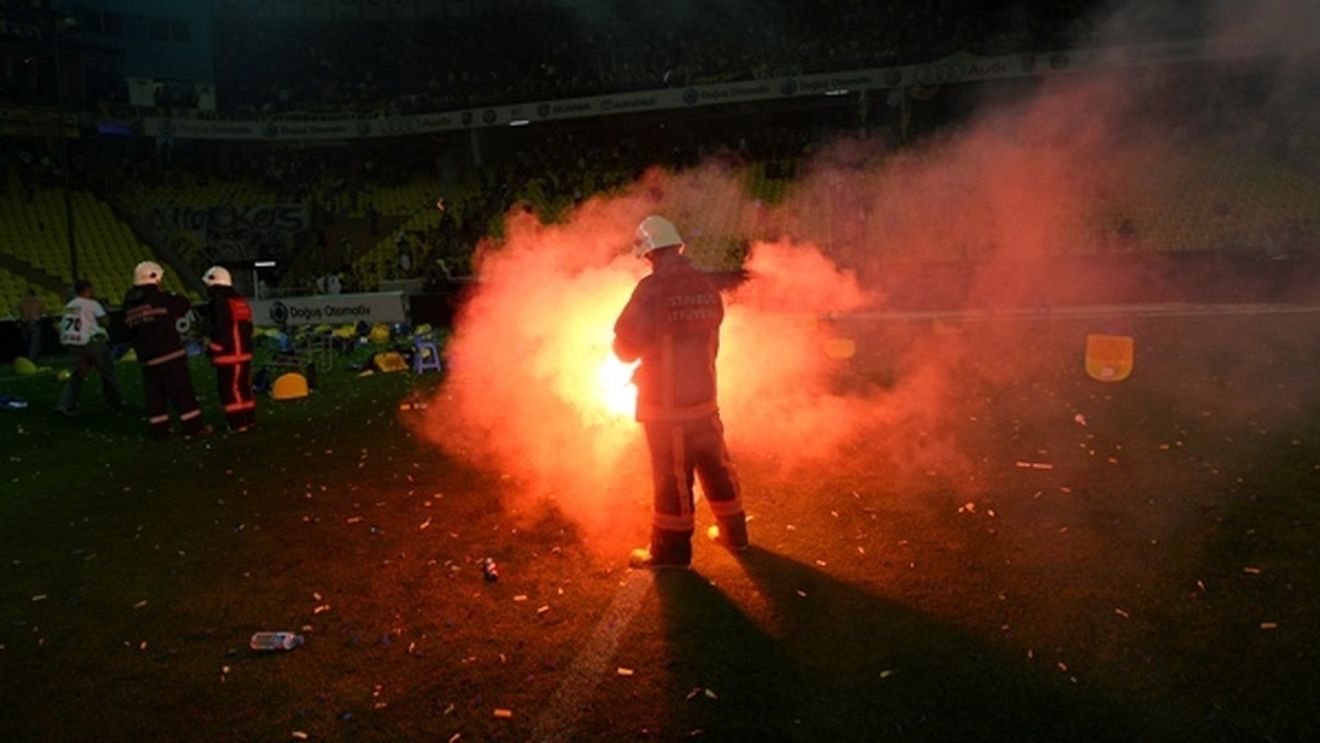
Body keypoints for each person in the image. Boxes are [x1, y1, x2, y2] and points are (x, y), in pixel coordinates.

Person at [613, 215, 747, 570]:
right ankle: (735, 534)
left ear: (649, 254)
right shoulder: (705, 286)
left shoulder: (652, 289)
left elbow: (625, 346)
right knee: (716, 466)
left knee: (672, 479)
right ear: (678, 246)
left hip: (665, 408)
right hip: (705, 401)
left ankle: (671, 553)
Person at [122, 261, 210, 438]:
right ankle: (193, 427)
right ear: (155, 278)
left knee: (155, 397)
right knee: (182, 393)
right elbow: (183, 303)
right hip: (170, 355)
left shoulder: (128, 303)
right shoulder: (161, 298)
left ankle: (160, 430)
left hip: (147, 359)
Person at [55, 280, 123, 416]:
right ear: (89, 290)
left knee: (77, 376)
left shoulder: (69, 306)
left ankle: (65, 405)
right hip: (93, 342)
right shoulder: (92, 304)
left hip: (74, 344)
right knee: (107, 374)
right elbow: (105, 322)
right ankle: (114, 404)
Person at [201, 266, 255, 431]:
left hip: (229, 355)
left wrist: (212, 348)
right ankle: (248, 418)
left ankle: (238, 422)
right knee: (243, 387)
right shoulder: (240, 301)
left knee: (229, 389)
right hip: (244, 352)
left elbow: (221, 329)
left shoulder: (219, 302)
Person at [17, 288, 45, 360]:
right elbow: (42, 311)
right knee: (34, 340)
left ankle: (28, 355)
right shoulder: (38, 301)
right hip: (34, 321)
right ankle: (31, 356)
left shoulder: (23, 301)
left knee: (27, 340)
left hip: (24, 321)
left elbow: (19, 311)